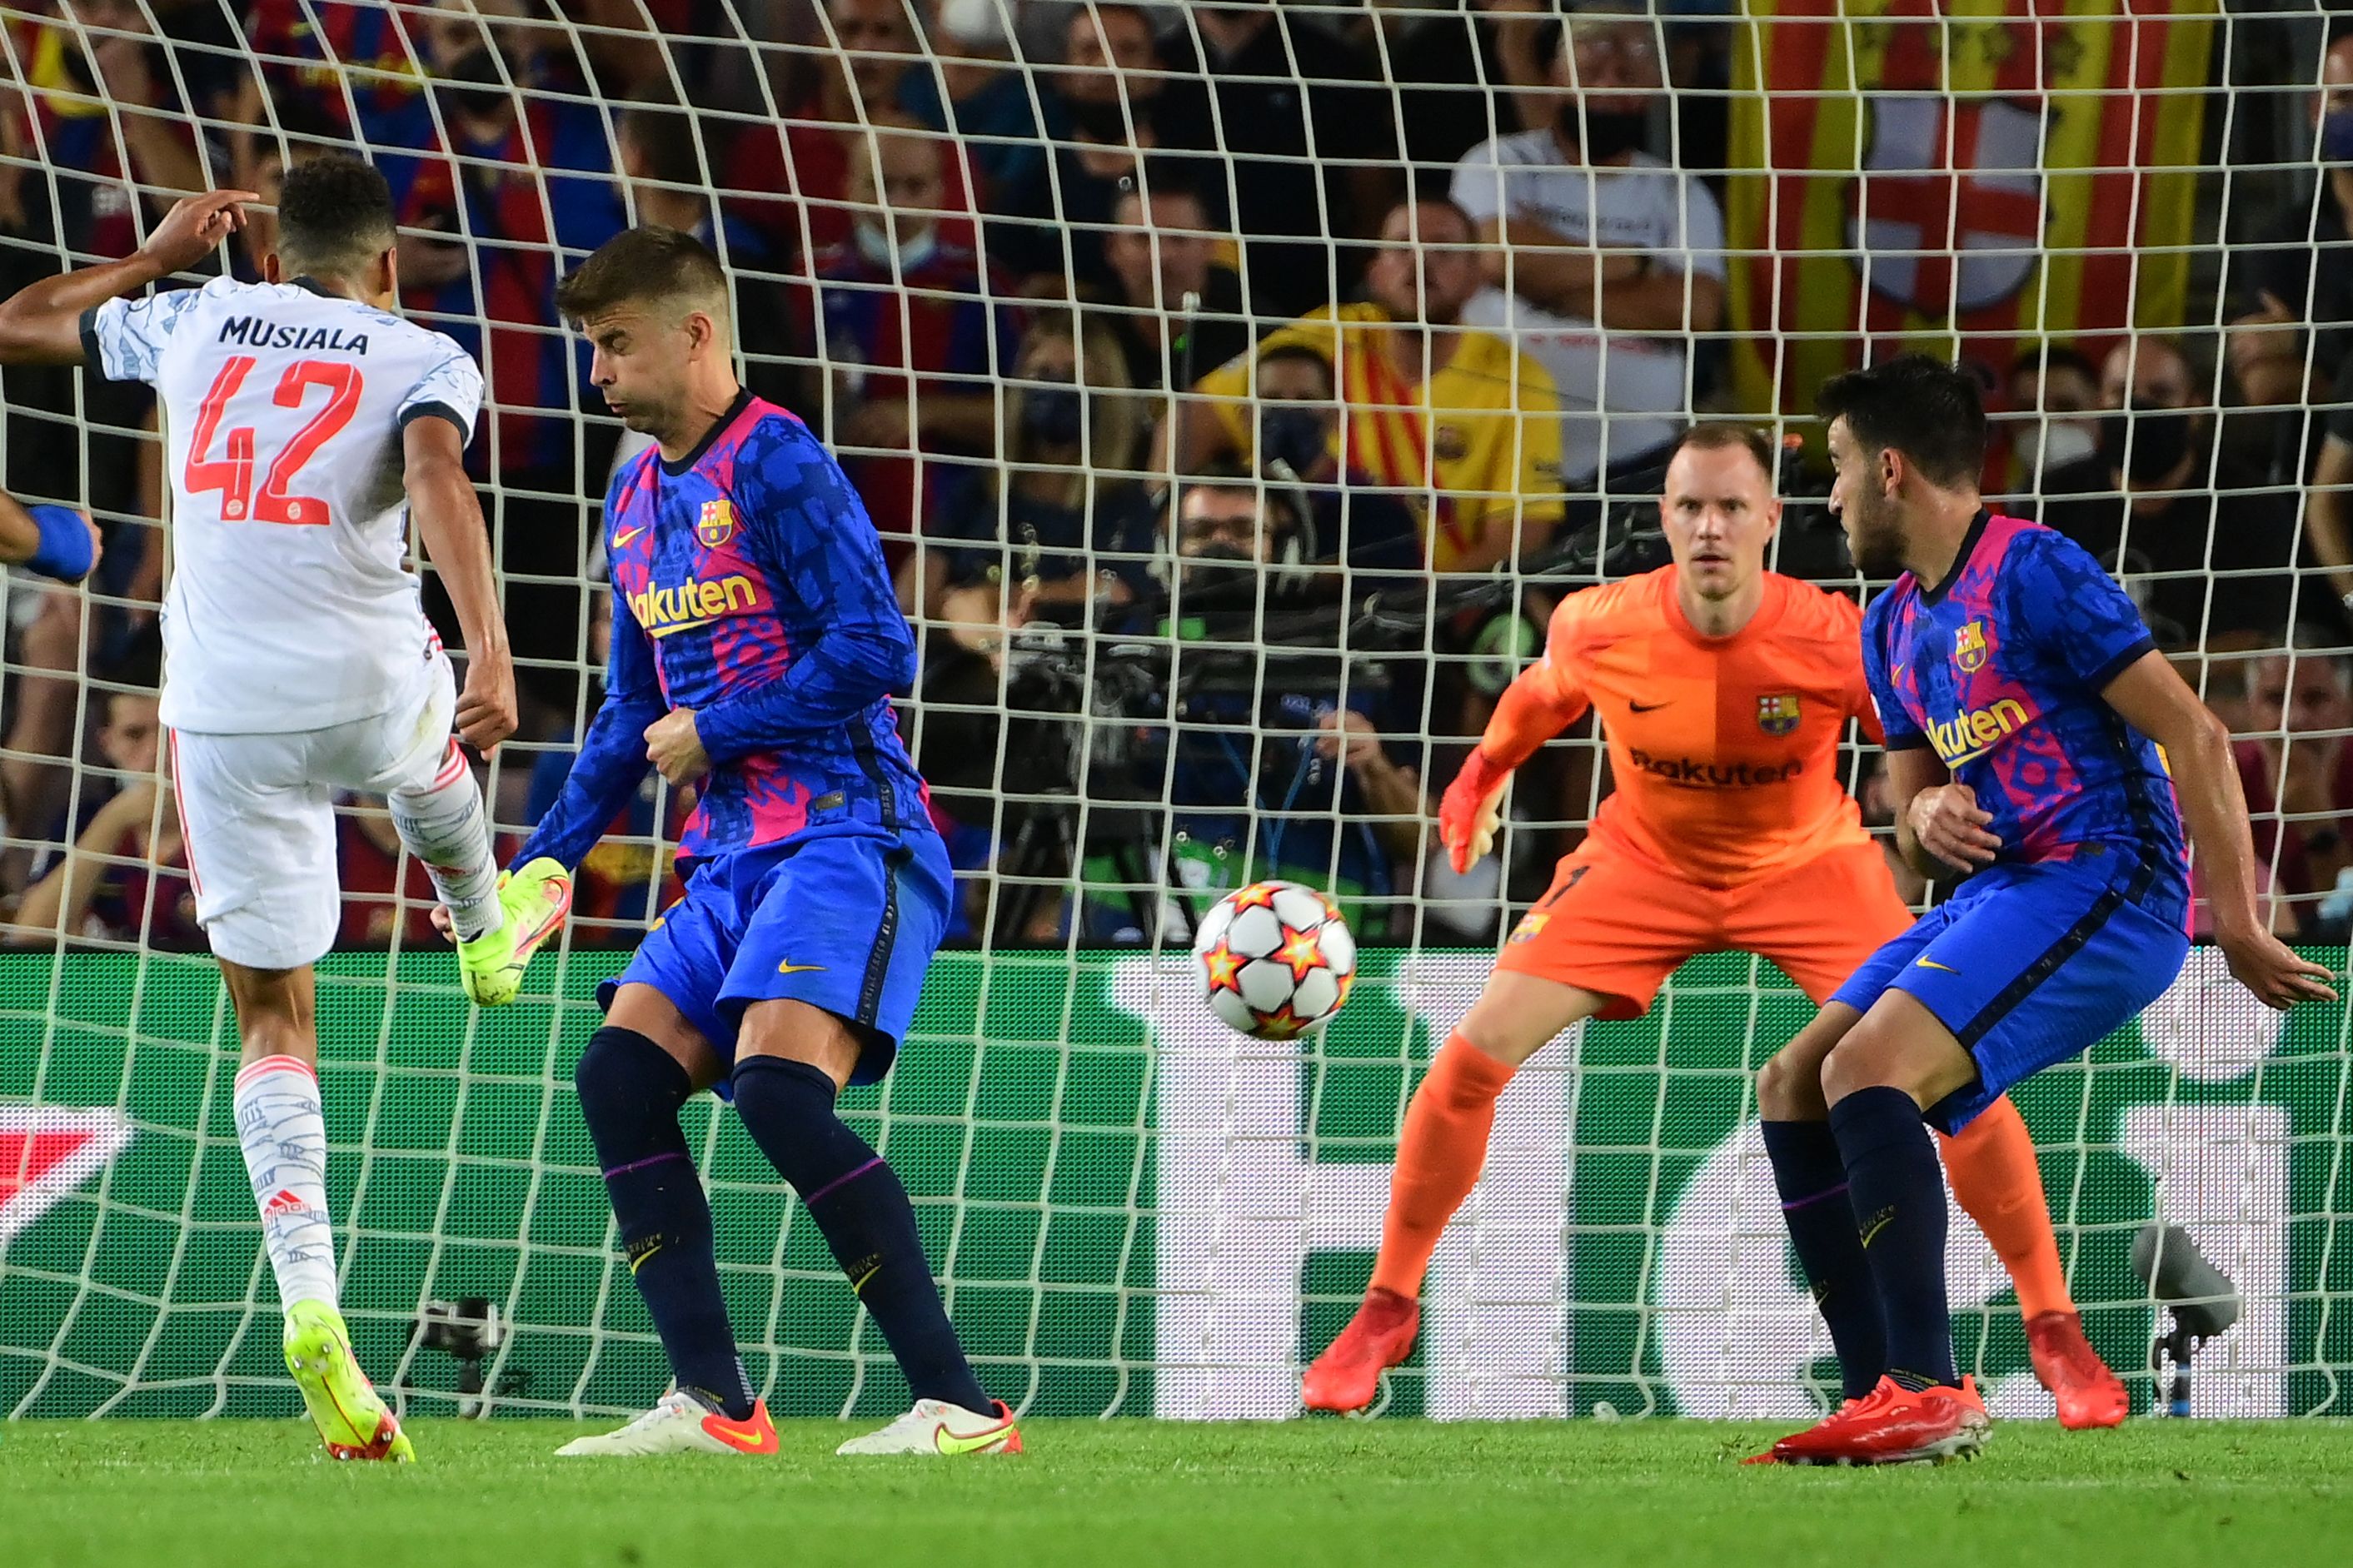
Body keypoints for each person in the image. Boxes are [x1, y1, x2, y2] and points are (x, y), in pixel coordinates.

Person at [1302, 422, 2128, 1429]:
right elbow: (1538, 695)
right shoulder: (1600, 621)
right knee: (1470, 1058)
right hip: (1639, 866)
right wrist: (1478, 775)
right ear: (1662, 520)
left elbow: (1929, 714)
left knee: (1946, 1073)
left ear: (1771, 520)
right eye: (1689, 506)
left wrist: (1944, 801)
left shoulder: (1828, 632)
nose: (1709, 527)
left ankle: (2050, 1322)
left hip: (1810, 867)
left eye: (1731, 506)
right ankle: (1388, 1301)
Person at [0, 157, 571, 1461]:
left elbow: (19, 322)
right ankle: (484, 927)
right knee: (429, 741)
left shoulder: (195, 316)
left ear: (266, 253)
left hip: (220, 708)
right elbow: (435, 478)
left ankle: (312, 1302)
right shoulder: (416, 347)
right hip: (365, 678)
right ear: (381, 263)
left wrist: (151, 257)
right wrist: (489, 638)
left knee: (272, 1015)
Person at [1747, 355, 2333, 1466]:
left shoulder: (2039, 571)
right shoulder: (1888, 627)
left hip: (2110, 879)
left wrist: (2241, 920)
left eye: (1831, 470)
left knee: (1865, 1071)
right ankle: (1885, 1388)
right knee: (1792, 1081)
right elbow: (1909, 798)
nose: (1825, 499)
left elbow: (2195, 732)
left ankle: (1926, 1385)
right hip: (2009, 885)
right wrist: (1930, 818)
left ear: (1889, 469)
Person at [503, 225, 1020, 1459]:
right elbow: (634, 714)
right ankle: (718, 1402)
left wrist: (720, 724)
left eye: (616, 344)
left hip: (848, 831)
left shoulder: (778, 459)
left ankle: (958, 1406)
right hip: (730, 854)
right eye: (588, 348)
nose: (599, 376)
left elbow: (879, 648)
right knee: (617, 1079)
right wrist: (546, 859)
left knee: (783, 1098)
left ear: (693, 333)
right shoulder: (632, 497)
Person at [1186, 197, 1564, 576]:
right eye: (1402, 248)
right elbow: (1191, 418)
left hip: (1447, 606)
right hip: (1293, 589)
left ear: (1475, 277)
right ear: (1376, 272)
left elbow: (1521, 537)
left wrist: (1412, 613)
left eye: (1444, 250)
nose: (1420, 263)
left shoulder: (1519, 380)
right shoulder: (1328, 335)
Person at [1449, 3, 1727, 494]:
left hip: (1640, 459)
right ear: (1555, 75)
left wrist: (1544, 283)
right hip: (1497, 447)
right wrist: (1638, 263)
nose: (1610, 83)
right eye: (1593, 66)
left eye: (1628, 71)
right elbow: (1496, 257)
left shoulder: (1680, 192)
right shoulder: (1501, 160)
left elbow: (1694, 309)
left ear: (1653, 88)